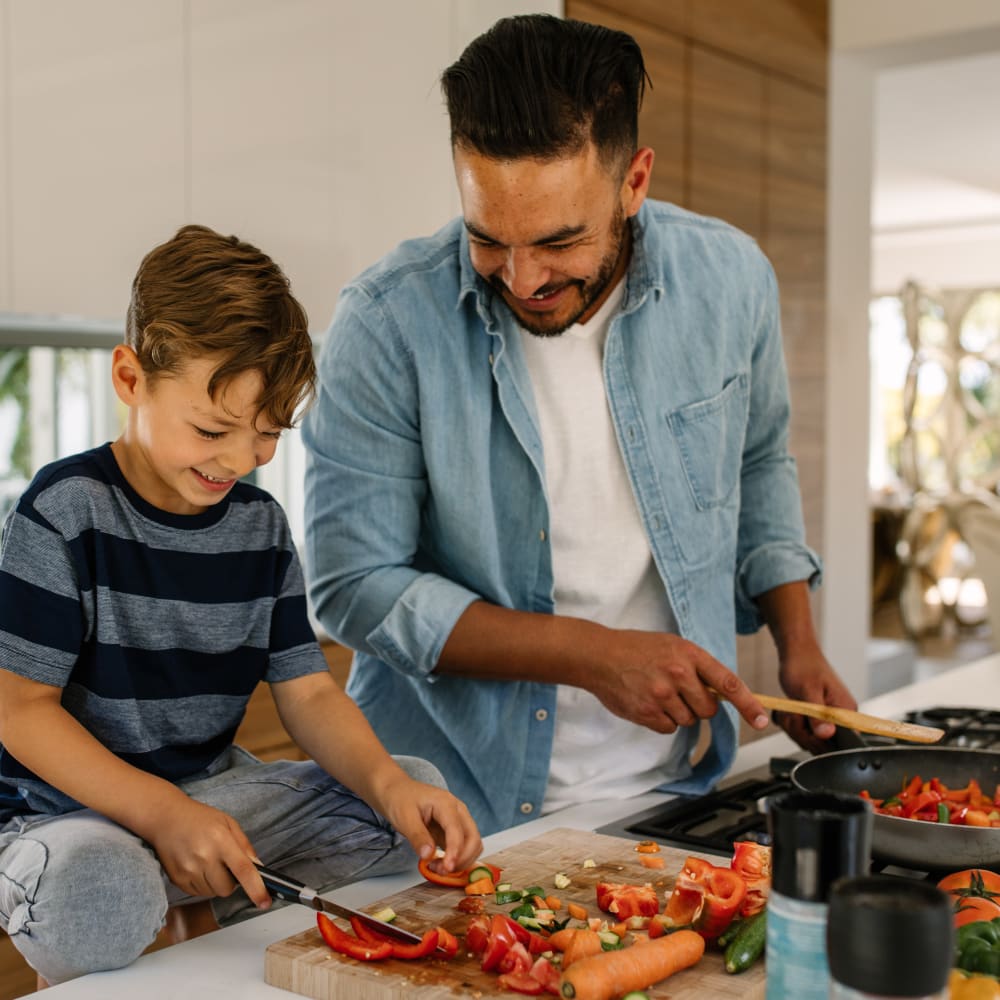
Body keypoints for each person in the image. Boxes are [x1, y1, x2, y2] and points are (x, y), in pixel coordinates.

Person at [301, 14, 857, 837]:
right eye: (488, 238)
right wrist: (591, 655)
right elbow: (352, 588)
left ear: (634, 182)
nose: (522, 279)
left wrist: (796, 638)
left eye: (559, 240)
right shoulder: (386, 323)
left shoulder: (732, 279)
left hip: (675, 790)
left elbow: (758, 460)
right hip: (444, 807)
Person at [0, 225, 481, 986]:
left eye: (266, 434)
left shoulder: (260, 527)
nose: (239, 459)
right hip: (66, 815)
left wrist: (391, 786)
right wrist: (161, 815)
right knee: (97, 887)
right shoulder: (63, 511)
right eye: (212, 429)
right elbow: (18, 710)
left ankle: (189, 895)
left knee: (408, 799)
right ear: (130, 380)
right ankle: (167, 898)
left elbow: (311, 691)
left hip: (211, 797)